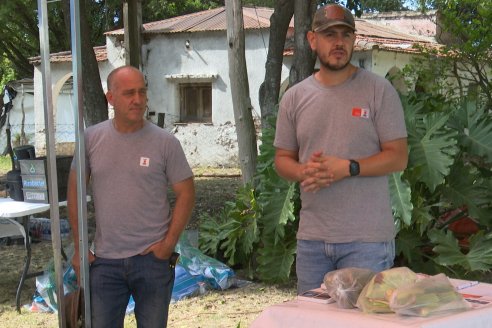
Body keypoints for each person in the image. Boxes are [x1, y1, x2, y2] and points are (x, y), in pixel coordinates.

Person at [274, 4, 408, 294]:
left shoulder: (378, 90)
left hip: (367, 242)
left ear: (353, 40)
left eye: (346, 35)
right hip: (312, 241)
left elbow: (398, 157)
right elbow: (282, 159)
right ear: (312, 40)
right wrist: (302, 170)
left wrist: (349, 167)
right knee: (311, 322)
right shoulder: (294, 98)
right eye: (329, 35)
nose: (339, 43)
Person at [67, 65, 195, 327]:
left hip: (152, 261)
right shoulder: (91, 139)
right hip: (104, 262)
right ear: (110, 98)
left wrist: (168, 244)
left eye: (142, 92)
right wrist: (80, 248)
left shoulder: (165, 142)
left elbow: (186, 193)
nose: (137, 100)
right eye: (128, 93)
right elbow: (74, 192)